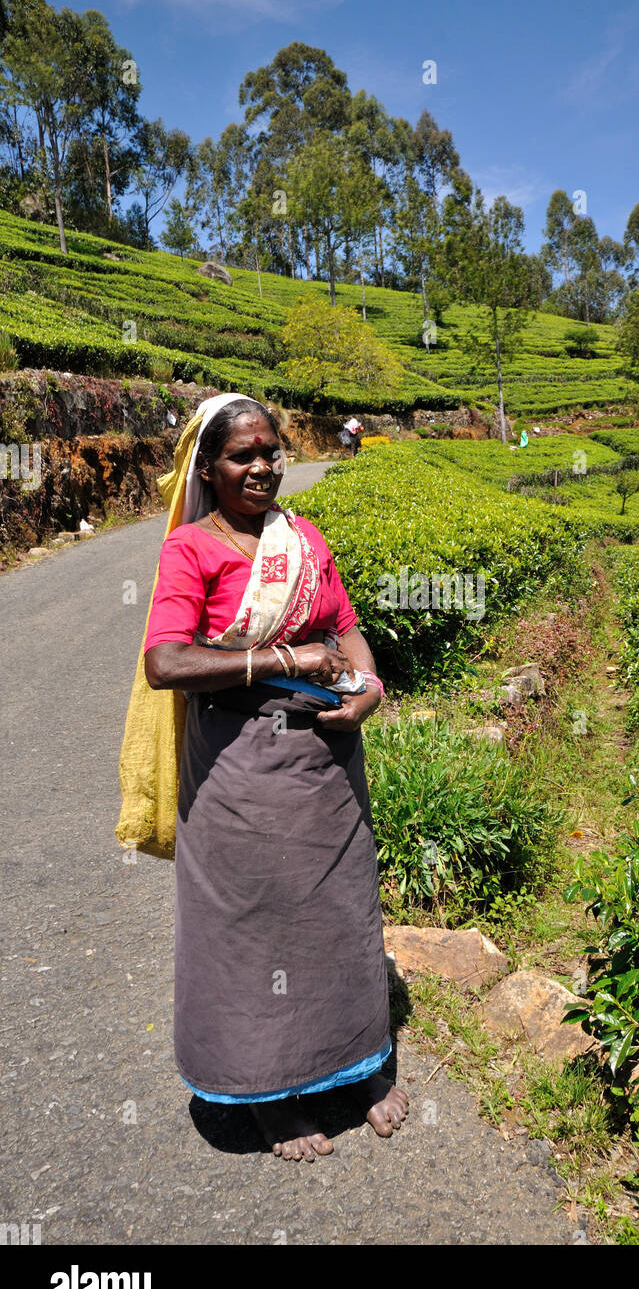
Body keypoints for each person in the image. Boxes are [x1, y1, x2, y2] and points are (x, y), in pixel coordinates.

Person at [139, 392, 408, 1162]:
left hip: (326, 762)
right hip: (241, 767)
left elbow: (345, 624)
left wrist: (371, 687)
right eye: (241, 456)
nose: (261, 468)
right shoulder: (192, 548)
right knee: (256, 928)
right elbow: (166, 663)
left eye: (271, 451)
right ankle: (271, 1094)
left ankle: (351, 1068)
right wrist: (284, 659)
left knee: (338, 915)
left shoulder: (303, 535)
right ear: (210, 468)